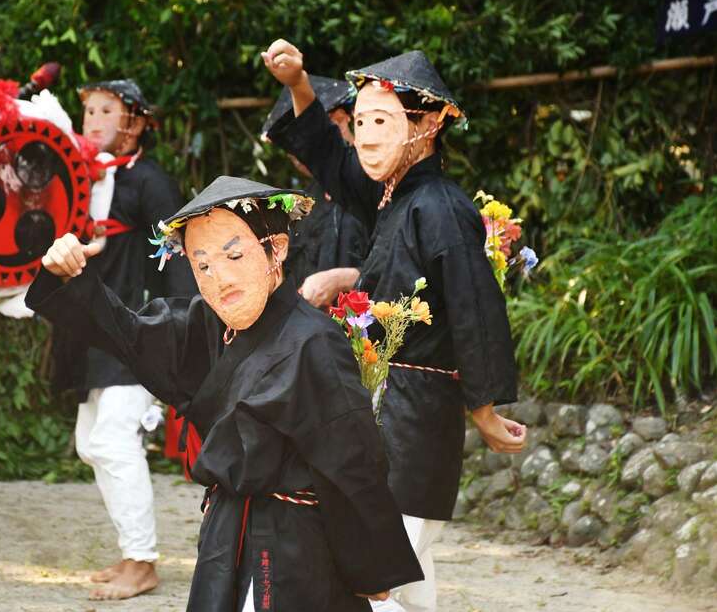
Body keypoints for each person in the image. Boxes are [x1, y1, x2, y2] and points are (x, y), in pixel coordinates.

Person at [27, 175, 423, 611]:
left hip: (296, 543)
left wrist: (373, 567)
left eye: (234, 255)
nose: (220, 278)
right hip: (225, 531)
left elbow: (353, 462)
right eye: (202, 265)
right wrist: (69, 278)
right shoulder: (208, 324)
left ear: (277, 249)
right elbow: (130, 335)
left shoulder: (313, 341)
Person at [262, 40, 527, 611]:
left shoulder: (440, 208)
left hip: (418, 422)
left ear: (426, 124)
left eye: (382, 120)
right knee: (406, 579)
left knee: (374, 575)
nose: (366, 136)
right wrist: (300, 84)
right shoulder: (393, 194)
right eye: (360, 122)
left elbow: (476, 310)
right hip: (388, 410)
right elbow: (333, 162)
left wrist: (484, 409)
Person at [49, 78, 196, 601]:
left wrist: (182, 329)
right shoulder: (79, 180)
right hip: (98, 331)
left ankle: (143, 562)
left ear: (133, 122)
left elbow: (178, 258)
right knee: (91, 443)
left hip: (141, 330)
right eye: (87, 109)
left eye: (106, 110)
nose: (92, 119)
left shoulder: (151, 183)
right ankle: (132, 550)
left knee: (113, 439)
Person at [261, 76, 367, 307]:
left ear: (340, 120)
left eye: (305, 152)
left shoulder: (381, 186)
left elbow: (403, 271)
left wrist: (344, 279)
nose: (301, 162)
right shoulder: (306, 200)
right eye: (294, 156)